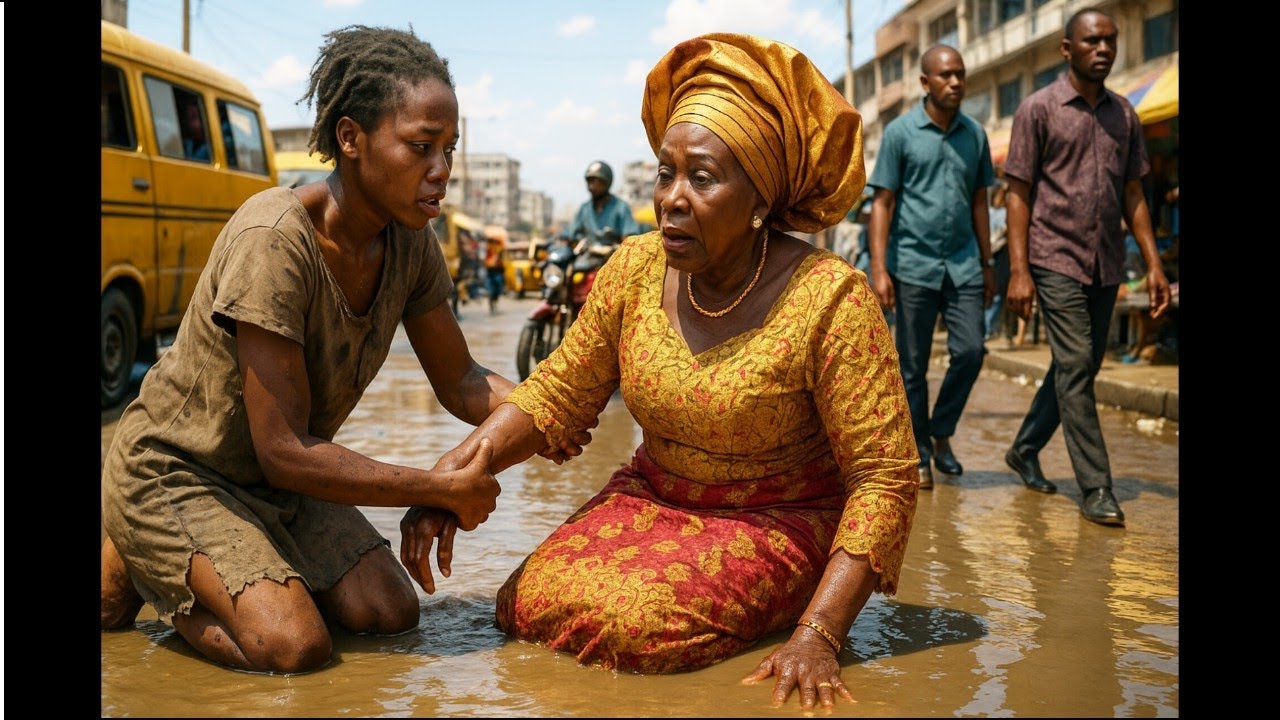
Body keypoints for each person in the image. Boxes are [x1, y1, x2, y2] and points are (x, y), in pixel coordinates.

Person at [400, 32, 918, 709]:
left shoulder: (831, 298)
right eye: (665, 173)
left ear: (759, 198)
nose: (672, 197)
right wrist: (452, 475)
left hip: (781, 517)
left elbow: (884, 480)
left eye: (701, 179)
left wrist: (818, 633)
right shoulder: (635, 267)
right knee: (523, 602)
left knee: (640, 631)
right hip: (655, 492)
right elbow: (558, 390)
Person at [99, 25, 584, 674]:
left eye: (449, 148)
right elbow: (284, 449)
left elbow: (464, 379)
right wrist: (437, 486)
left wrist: (549, 410)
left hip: (278, 486)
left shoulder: (410, 242)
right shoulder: (275, 238)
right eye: (421, 147)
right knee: (294, 647)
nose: (441, 171)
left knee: (390, 613)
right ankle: (141, 548)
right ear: (351, 139)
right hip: (183, 472)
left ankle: (207, 564)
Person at [1003, 7, 1171, 526]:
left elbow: (1133, 191)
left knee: (1077, 367)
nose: (1104, 48)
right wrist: (1018, 270)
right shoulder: (1038, 109)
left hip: (1107, 262)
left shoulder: (1125, 113)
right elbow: (1017, 194)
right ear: (1067, 49)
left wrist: (1154, 263)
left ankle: (1024, 448)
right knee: (1077, 368)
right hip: (1054, 257)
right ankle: (1097, 486)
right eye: (1093, 40)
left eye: (1110, 40)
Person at [866, 45, 995, 490]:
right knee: (911, 367)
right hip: (913, 264)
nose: (955, 82)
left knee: (972, 351)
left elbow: (980, 201)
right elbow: (881, 204)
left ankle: (941, 430)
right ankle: (919, 452)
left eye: (960, 74)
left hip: (962, 265)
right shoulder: (900, 134)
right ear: (925, 83)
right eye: (945, 75)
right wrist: (880, 269)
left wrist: (988, 261)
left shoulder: (975, 136)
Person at [566, 160, 640, 241]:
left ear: (606, 183)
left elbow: (630, 236)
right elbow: (572, 235)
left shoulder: (621, 207)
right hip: (587, 252)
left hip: (614, 253)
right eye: (589, 182)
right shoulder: (584, 209)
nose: (591, 187)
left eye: (595, 182)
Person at [985, 179, 1012, 341]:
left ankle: (988, 328)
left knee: (994, 294)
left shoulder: (991, 212)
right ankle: (988, 328)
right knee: (996, 295)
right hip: (998, 255)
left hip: (992, 254)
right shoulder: (1000, 214)